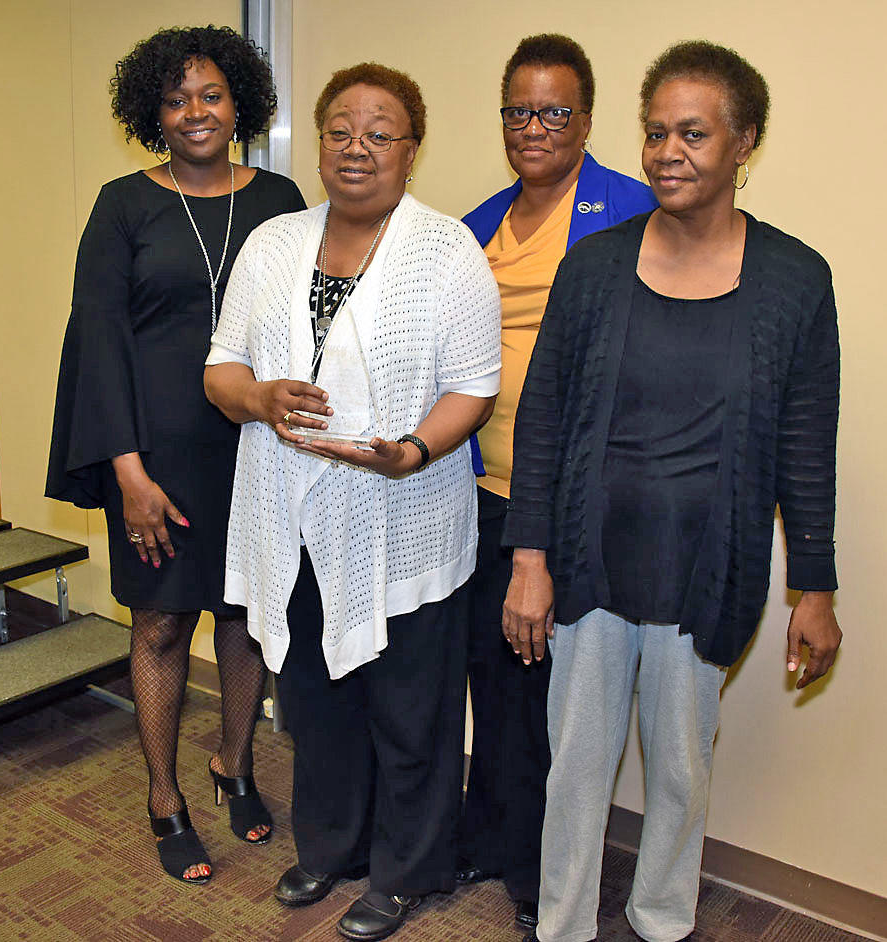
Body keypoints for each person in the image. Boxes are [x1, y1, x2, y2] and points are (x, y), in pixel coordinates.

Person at [503, 40, 842, 942]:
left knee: (683, 768)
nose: (667, 152)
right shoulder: (596, 266)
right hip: (588, 562)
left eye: (692, 133)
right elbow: (541, 421)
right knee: (575, 763)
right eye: (655, 132)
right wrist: (529, 559)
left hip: (708, 566)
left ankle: (662, 920)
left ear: (745, 143)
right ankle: (562, 925)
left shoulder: (796, 280)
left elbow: (808, 446)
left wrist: (816, 585)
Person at [203, 63, 501, 940]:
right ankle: (331, 847)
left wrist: (413, 451)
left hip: (405, 516)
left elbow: (473, 387)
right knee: (315, 698)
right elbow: (221, 366)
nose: (356, 147)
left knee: (410, 706)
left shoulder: (447, 251)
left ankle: (407, 871)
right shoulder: (273, 242)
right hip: (291, 517)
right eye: (339, 129)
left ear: (412, 148)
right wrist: (258, 399)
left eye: (379, 131)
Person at [46, 25, 306, 885]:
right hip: (155, 456)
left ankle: (234, 765)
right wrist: (128, 474)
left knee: (245, 615)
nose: (195, 112)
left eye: (211, 95)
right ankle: (165, 795)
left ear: (241, 105)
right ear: (150, 111)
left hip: (257, 450)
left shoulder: (280, 197)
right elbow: (98, 343)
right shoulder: (123, 205)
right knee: (161, 621)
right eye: (175, 98)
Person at [457, 33, 656, 932]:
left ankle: (547, 872)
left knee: (554, 697)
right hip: (475, 492)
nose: (533, 127)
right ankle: (493, 838)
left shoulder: (632, 212)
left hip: (574, 503)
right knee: (493, 680)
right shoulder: (477, 224)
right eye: (518, 111)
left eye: (554, 111)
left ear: (585, 120)